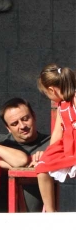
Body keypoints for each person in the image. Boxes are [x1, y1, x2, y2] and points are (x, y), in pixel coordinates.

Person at [0, 97, 50, 212]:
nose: (22, 126)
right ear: (8, 128)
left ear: (34, 116)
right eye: (14, 123)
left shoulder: (51, 143)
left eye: (25, 119)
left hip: (38, 222)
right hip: (0, 220)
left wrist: (49, 157)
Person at [34, 64, 76, 212]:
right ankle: (50, 212)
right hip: (67, 145)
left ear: (52, 89)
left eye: (47, 93)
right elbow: (57, 134)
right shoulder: (61, 105)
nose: (48, 97)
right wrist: (48, 155)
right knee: (42, 166)